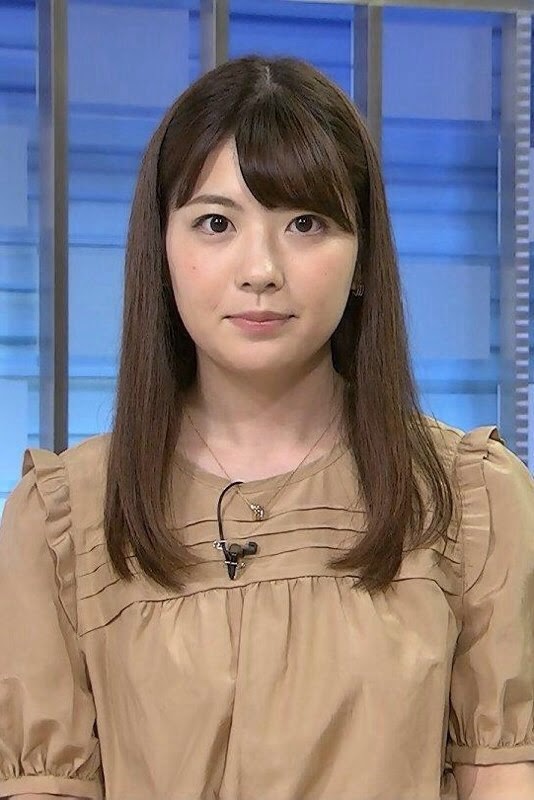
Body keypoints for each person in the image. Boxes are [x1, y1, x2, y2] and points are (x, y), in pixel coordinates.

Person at [1, 54, 534, 800]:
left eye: (305, 223)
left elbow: (505, 775)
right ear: (161, 250)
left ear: (361, 258)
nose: (261, 269)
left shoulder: (472, 501)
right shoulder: (63, 517)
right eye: (216, 223)